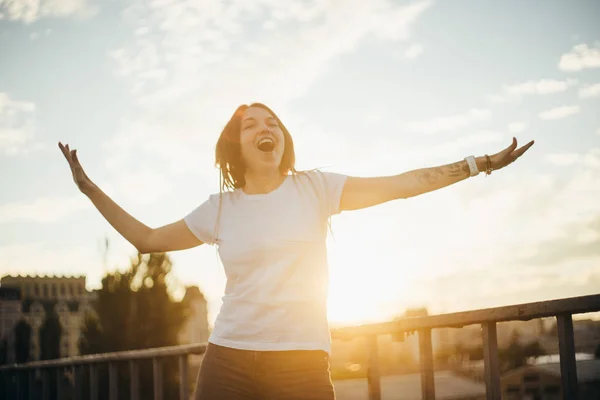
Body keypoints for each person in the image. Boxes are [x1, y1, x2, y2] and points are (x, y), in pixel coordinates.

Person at [58, 103, 534, 399]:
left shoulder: (316, 189)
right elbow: (148, 240)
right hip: (227, 360)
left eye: (272, 122)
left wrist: (478, 164)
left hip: (301, 362)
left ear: (282, 138)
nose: (265, 128)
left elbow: (402, 186)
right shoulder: (219, 208)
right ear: (236, 145)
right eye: (250, 125)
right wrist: (88, 189)